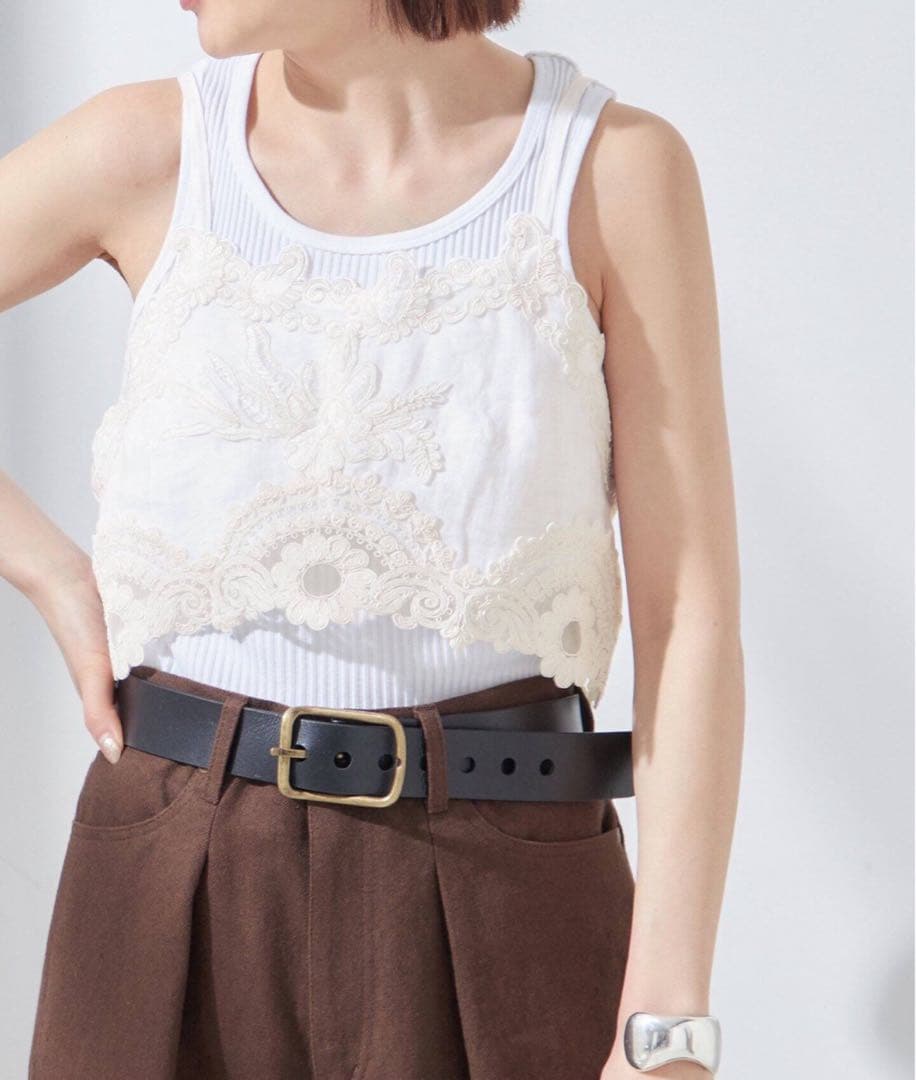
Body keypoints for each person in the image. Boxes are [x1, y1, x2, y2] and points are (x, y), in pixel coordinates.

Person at [1, 1, 744, 1077]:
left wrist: (666, 1029)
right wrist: (50, 571)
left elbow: (690, 617)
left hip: (508, 896)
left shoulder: (611, 171)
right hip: (171, 881)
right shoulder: (144, 149)